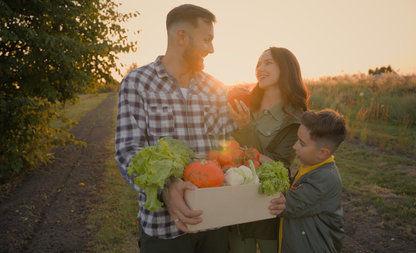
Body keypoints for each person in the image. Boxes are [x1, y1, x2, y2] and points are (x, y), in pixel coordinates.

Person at [115, 4, 286, 253]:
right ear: (182, 37)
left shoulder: (213, 86)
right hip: (164, 228)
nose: (211, 49)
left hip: (214, 224)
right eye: (207, 40)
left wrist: (259, 178)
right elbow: (128, 151)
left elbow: (226, 148)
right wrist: (165, 188)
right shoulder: (138, 83)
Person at [228, 47, 310, 253]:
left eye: (268, 63)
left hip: (268, 202)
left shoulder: (294, 118)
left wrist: (245, 129)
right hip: (235, 196)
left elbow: (278, 164)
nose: (260, 68)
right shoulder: (243, 103)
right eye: (258, 64)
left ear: (286, 69)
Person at [279, 109, 346, 253]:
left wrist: (271, 166)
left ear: (322, 152)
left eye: (302, 144)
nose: (295, 146)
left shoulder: (325, 179)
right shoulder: (311, 167)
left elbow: (286, 205)